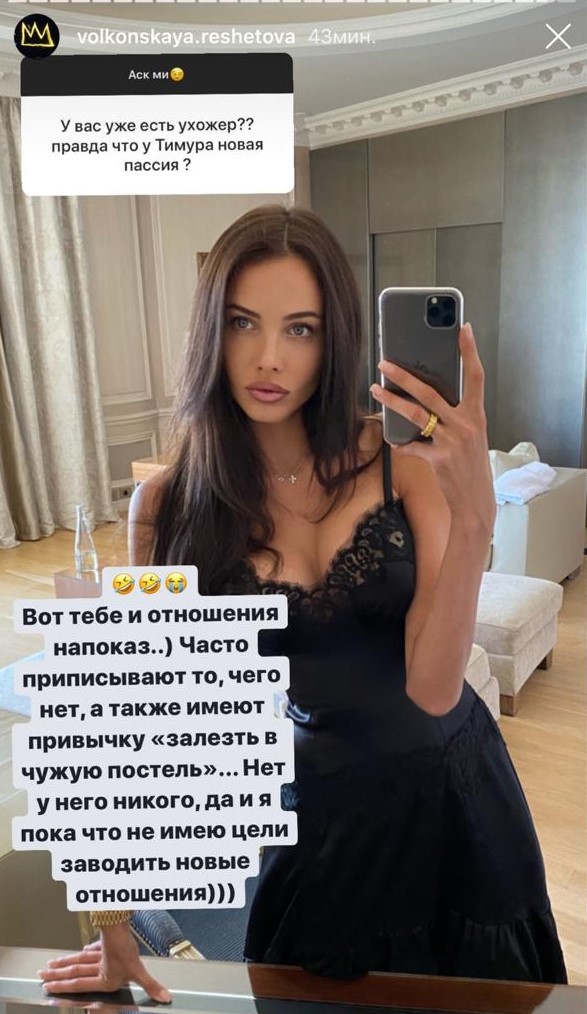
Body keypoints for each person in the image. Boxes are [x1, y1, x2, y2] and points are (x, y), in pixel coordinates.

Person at [40, 205, 567, 998]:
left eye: (300, 329)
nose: (268, 357)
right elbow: (141, 729)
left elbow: (432, 687)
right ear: (210, 331)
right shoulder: (168, 506)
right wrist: (112, 926)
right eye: (242, 322)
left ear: (335, 339)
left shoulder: (403, 465)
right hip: (322, 818)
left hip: (457, 794)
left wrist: (475, 518)